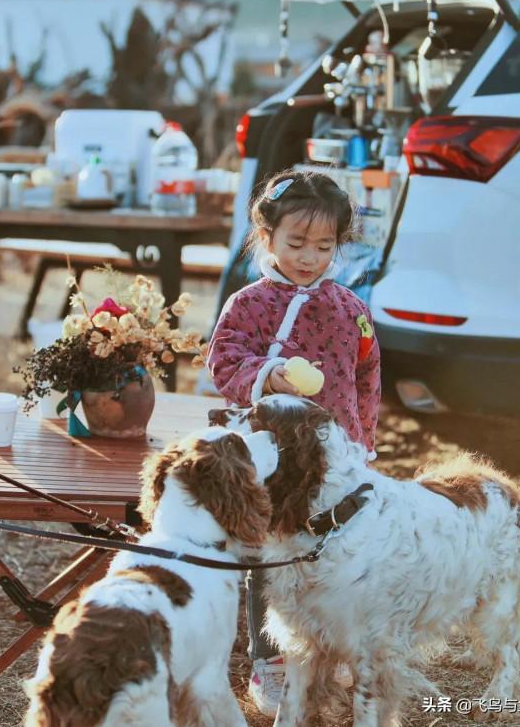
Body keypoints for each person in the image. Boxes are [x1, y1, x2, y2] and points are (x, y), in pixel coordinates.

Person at [206, 168, 381, 718]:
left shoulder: (350, 307)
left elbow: (367, 378)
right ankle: (272, 662)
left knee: (335, 549)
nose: (310, 257)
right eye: (297, 244)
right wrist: (268, 374)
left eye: (324, 247)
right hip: (272, 454)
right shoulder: (249, 304)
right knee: (273, 552)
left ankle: (333, 648)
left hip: (336, 455)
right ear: (267, 237)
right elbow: (225, 362)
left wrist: (364, 443)